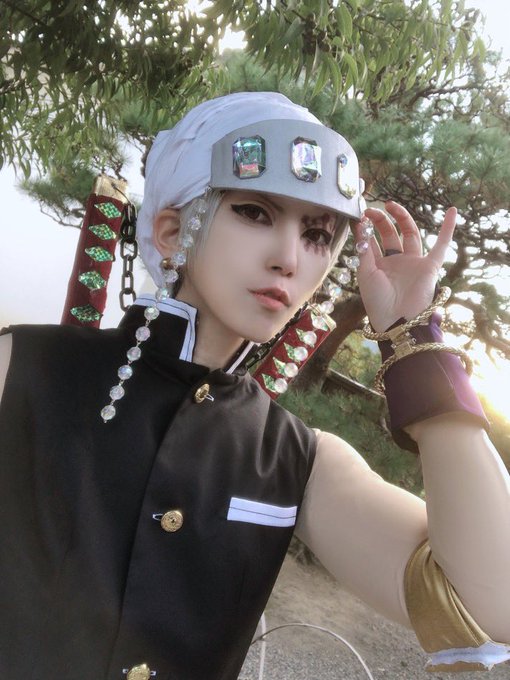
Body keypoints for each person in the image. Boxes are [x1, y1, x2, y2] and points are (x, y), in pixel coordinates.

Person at [0, 92, 509, 680]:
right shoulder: (20, 369)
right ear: (171, 232)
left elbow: (487, 608)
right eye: (255, 213)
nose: (288, 258)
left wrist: (413, 338)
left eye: (317, 235)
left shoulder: (300, 462)